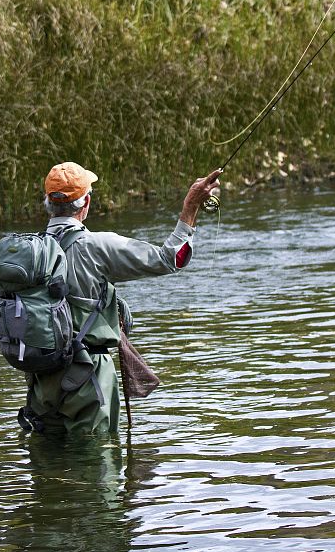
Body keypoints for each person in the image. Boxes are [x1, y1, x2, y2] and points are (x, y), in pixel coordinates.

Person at [26, 161, 221, 436]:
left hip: (40, 380)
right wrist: (190, 207)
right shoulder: (96, 246)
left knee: (48, 468)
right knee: (99, 465)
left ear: (47, 202)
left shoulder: (29, 251)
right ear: (86, 204)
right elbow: (170, 259)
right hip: (87, 378)